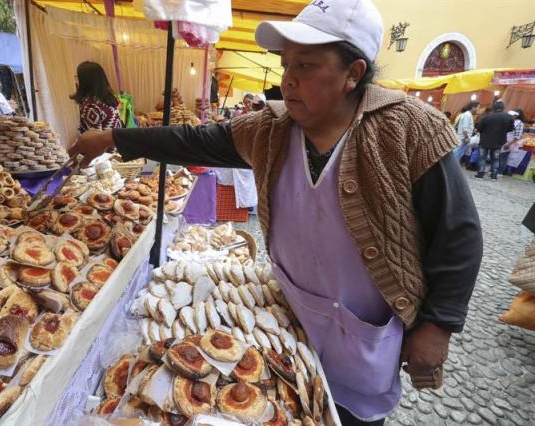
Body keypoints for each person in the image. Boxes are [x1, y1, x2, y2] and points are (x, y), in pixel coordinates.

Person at [70, 1, 483, 424]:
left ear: (353, 74)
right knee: (287, 407)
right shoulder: (271, 129)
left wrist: (438, 326)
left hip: (364, 332)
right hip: (289, 320)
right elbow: (194, 140)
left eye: (306, 65)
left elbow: (460, 233)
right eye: (287, 65)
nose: (288, 80)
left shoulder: (407, 128)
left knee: (351, 415)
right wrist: (113, 138)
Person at [71, 62, 122, 133]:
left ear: (85, 81)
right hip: (116, 141)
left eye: (78, 78)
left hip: (110, 142)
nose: (77, 80)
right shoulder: (106, 98)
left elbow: (96, 139)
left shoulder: (90, 106)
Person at [475, 101, 515, 180]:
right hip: (499, 141)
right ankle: (494, 176)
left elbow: (479, 129)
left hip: (485, 140)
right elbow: (510, 129)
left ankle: (480, 174)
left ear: (493, 107)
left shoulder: (487, 117)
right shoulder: (509, 117)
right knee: (495, 158)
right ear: (503, 108)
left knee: (483, 158)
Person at [500, 109, 526, 175]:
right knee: (500, 156)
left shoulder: (519, 123)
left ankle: (499, 172)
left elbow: (517, 136)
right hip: (503, 140)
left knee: (503, 157)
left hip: (509, 142)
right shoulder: (510, 120)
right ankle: (496, 170)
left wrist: (509, 144)